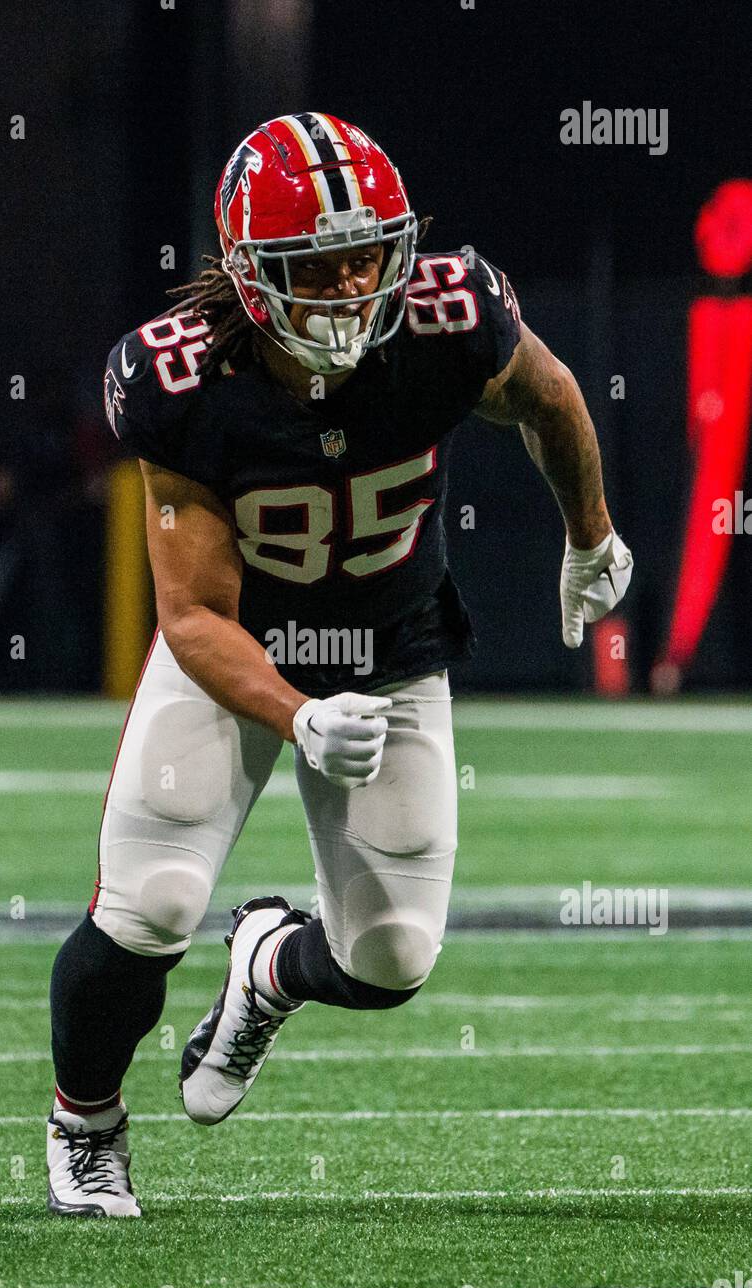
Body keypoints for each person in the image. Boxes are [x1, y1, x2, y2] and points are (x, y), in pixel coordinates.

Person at [47, 113, 633, 1216]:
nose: (353, 284)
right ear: (248, 273)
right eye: (318, 265)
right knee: (151, 903)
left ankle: (266, 967)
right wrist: (298, 712)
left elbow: (549, 398)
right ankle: (85, 1127)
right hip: (240, 647)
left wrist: (590, 534)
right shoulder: (180, 381)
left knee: (393, 955)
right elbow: (192, 615)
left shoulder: (449, 314)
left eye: (369, 253)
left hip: (394, 641)